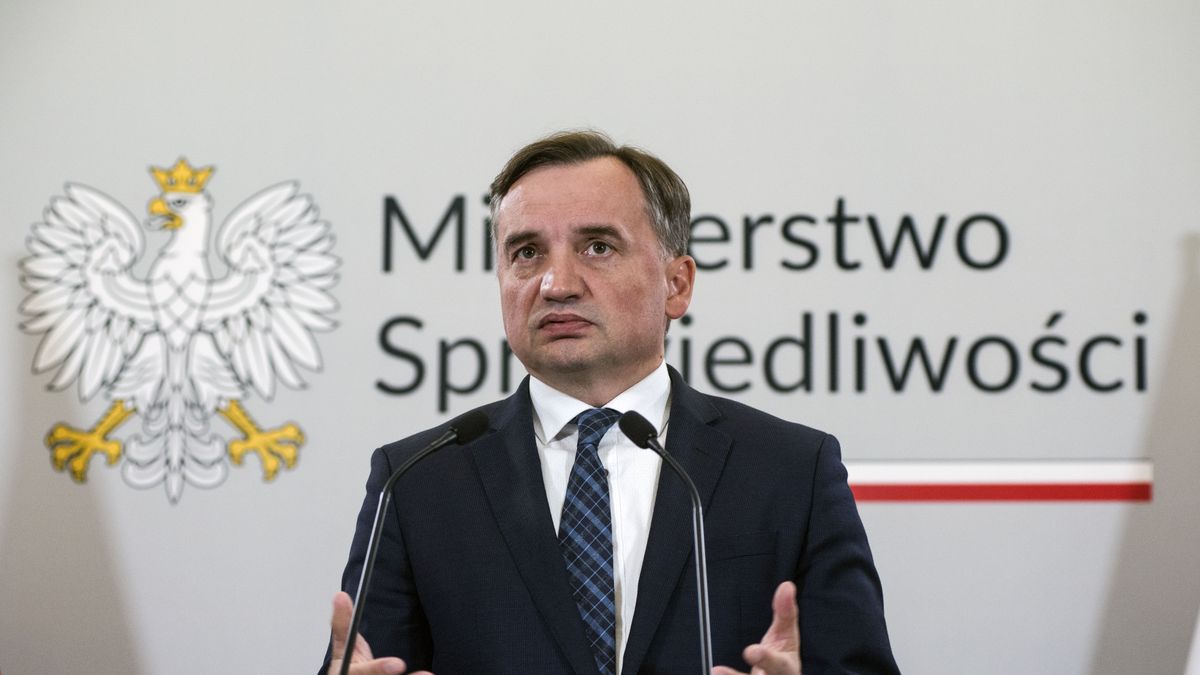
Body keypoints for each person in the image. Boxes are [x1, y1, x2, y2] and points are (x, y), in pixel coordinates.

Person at [323, 131, 899, 674]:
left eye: (597, 246)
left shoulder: (790, 469)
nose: (556, 284)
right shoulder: (418, 480)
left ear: (677, 284)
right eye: (526, 252)